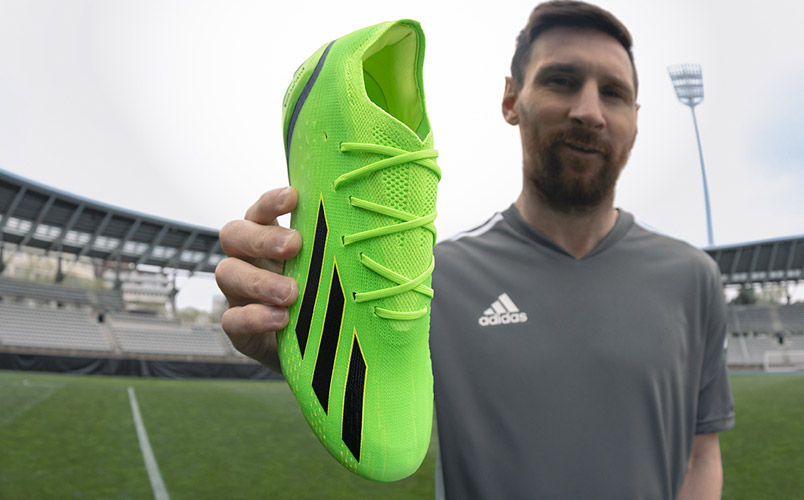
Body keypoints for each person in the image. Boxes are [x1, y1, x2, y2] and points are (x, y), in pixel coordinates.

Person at [215, 1, 735, 498]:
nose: (588, 111)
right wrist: (297, 331)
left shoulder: (694, 278)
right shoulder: (436, 275)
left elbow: (701, 453)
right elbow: (377, 398)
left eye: (614, 93)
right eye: (561, 80)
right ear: (511, 99)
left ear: (636, 119)